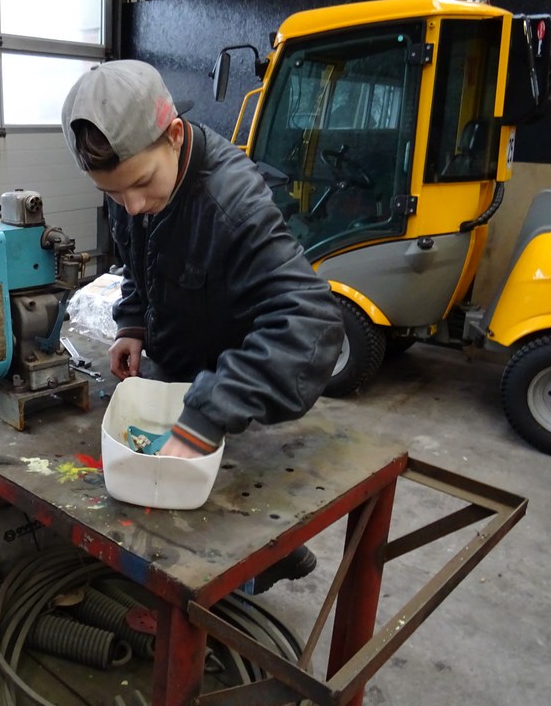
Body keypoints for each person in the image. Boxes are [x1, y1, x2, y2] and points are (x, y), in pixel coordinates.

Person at [60, 60, 344, 587]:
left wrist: (212, 410)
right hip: (174, 364)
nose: (132, 205)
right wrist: (133, 325)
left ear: (173, 134)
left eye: (140, 184)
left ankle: (271, 557)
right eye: (114, 194)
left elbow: (312, 324)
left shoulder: (233, 201)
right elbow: (139, 260)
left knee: (212, 520)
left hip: (232, 383)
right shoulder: (134, 184)